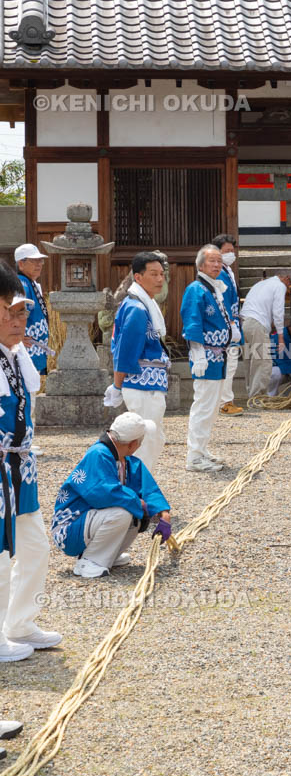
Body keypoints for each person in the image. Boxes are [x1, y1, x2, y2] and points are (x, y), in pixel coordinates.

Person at [0, 276, 61, 659]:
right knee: (1, 555)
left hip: (23, 464)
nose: (18, 320)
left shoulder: (18, 354)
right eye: (10, 312)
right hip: (2, 465)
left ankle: (20, 622)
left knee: (36, 545)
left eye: (22, 312)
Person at [51, 412, 172, 579]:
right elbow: (103, 493)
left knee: (133, 511)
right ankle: (90, 561)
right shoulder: (98, 454)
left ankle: (108, 555)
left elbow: (147, 488)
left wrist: (163, 514)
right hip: (70, 529)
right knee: (124, 511)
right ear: (133, 444)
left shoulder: (126, 460)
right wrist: (140, 504)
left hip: (89, 522)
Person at [104, 252, 171, 473]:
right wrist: (117, 385)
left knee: (153, 437)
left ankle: (140, 485)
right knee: (145, 439)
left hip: (148, 383)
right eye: (153, 274)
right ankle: (138, 488)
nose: (160, 279)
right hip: (142, 384)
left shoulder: (142, 304)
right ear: (138, 277)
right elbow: (125, 352)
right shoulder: (137, 308)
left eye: (162, 274)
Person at [181, 245, 234, 472]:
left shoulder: (214, 288)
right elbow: (193, 322)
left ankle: (202, 449)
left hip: (219, 355)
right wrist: (198, 353)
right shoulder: (196, 289)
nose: (216, 265)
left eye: (219, 261)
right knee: (203, 405)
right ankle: (194, 456)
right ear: (201, 265)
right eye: (212, 261)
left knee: (212, 407)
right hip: (207, 355)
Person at [15, 242, 50, 456]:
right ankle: (24, 442)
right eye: (34, 261)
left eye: (40, 261)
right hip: (25, 350)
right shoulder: (22, 284)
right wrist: (19, 335)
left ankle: (27, 440)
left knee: (30, 394)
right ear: (21, 263)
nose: (39, 264)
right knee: (26, 394)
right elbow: (17, 311)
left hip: (34, 350)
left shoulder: (32, 283)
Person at [241, 269, 291, 398]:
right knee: (263, 361)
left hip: (244, 323)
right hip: (257, 323)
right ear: (286, 278)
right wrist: (281, 336)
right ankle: (258, 396)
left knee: (250, 361)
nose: (288, 288)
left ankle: (251, 395)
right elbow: (278, 312)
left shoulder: (260, 284)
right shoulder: (279, 286)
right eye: (289, 285)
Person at [214, 234, 244, 417]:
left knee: (229, 363)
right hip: (226, 324)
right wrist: (232, 324)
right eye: (227, 251)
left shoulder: (226, 271)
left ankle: (224, 400)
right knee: (229, 363)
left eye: (232, 251)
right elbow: (223, 300)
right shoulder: (220, 273)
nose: (231, 254)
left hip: (230, 322)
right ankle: (225, 401)